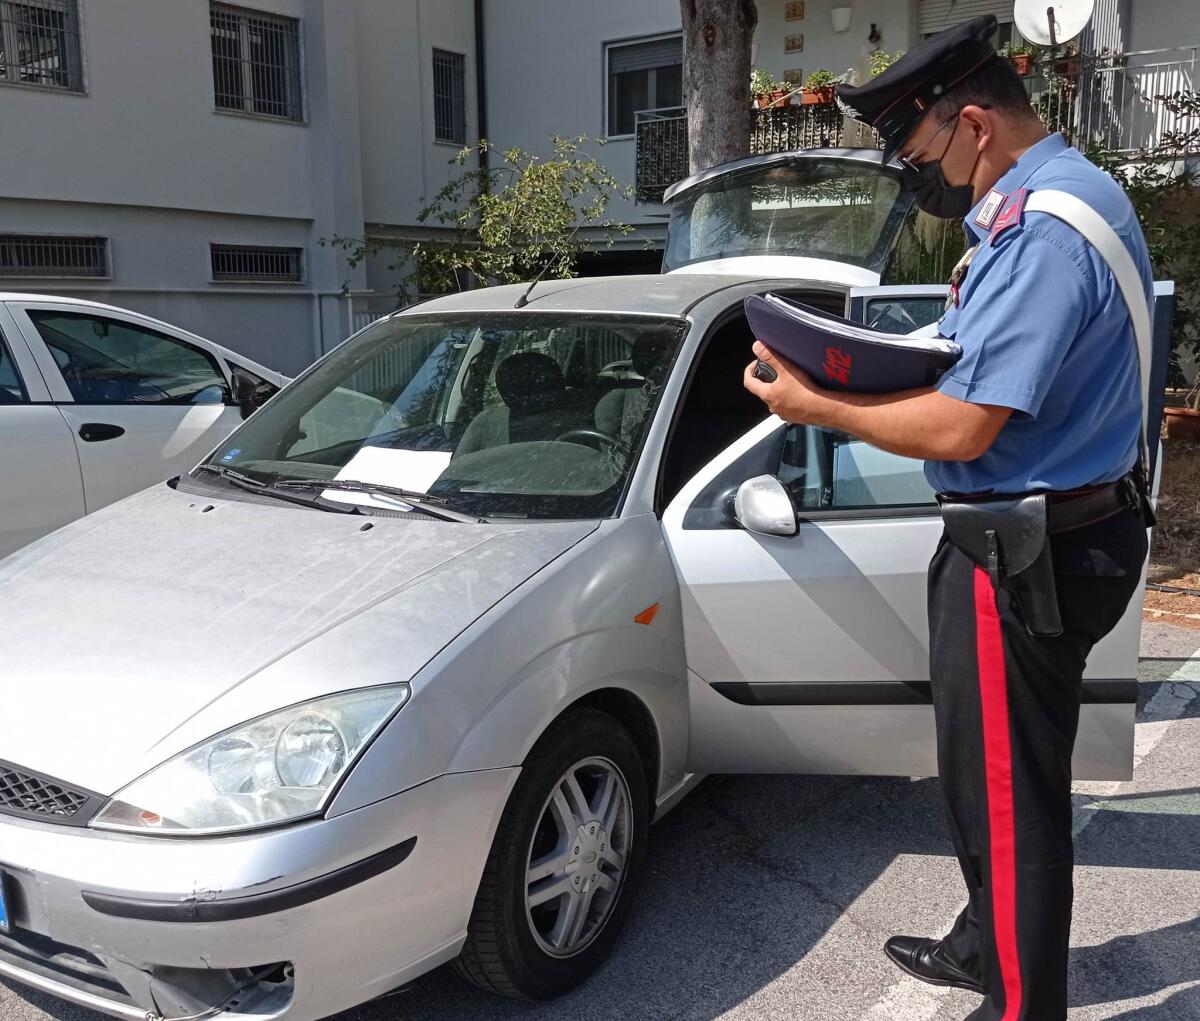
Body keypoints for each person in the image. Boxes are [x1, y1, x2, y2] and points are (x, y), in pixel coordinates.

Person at [742, 16, 1154, 1021]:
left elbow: (966, 425)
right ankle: (986, 943)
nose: (922, 178)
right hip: (1053, 530)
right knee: (993, 777)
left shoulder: (1041, 234)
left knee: (1011, 802)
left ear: (973, 124)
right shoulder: (1067, 199)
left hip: (1027, 551)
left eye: (921, 154)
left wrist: (818, 406)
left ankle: (1021, 1004)